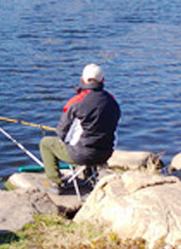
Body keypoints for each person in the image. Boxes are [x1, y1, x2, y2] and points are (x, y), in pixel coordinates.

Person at [38, 64, 121, 194]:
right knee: (92, 137)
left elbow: (61, 133)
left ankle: (56, 183)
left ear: (82, 80)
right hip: (105, 153)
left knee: (46, 143)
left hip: (82, 155)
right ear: (102, 80)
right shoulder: (112, 101)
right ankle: (90, 178)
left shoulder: (76, 102)